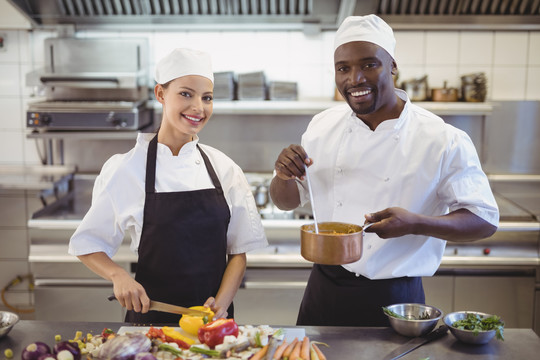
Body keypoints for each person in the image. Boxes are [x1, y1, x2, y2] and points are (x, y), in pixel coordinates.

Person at [269, 15, 499, 327]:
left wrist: (416, 223)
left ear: (392, 66)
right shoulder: (322, 127)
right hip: (324, 289)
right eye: (343, 68)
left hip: (396, 298)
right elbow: (286, 201)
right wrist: (283, 174)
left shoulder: (441, 137)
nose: (355, 79)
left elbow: (484, 220)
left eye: (368, 64)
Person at [68, 48, 267, 324]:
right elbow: (87, 242)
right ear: (160, 94)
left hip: (212, 327)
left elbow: (238, 253)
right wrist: (119, 276)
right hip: (149, 326)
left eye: (206, 97)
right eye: (186, 94)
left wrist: (220, 306)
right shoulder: (127, 168)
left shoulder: (224, 169)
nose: (199, 107)